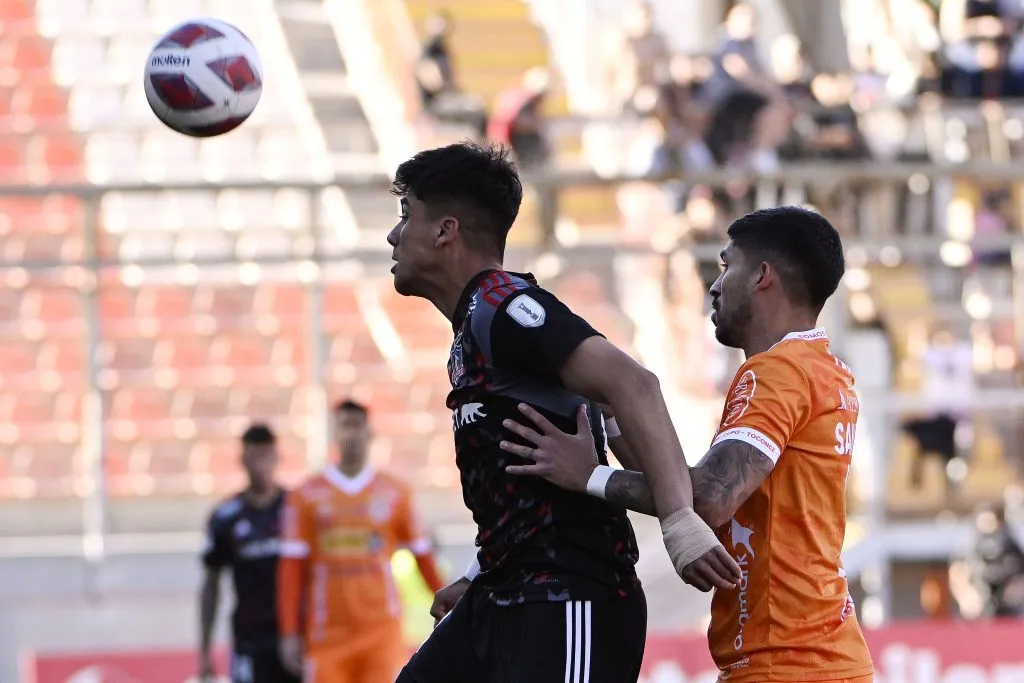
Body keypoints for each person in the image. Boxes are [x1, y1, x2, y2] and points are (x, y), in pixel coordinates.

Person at [385, 142, 739, 683]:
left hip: (569, 596)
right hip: (506, 592)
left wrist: (679, 523)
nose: (393, 234)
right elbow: (567, 428)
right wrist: (483, 569)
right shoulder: (474, 327)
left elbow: (633, 385)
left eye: (406, 214)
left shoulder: (503, 306)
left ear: (445, 231)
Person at [500, 207, 876, 682]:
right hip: (809, 657)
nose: (715, 286)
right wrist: (615, 415)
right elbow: (687, 491)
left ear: (762, 276)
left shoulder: (779, 373)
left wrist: (589, 476)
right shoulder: (821, 370)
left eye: (726, 265)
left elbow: (705, 499)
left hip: (791, 661)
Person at [276, 399, 445, 683]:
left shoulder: (395, 493)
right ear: (334, 434)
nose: (351, 434)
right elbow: (291, 568)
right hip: (327, 634)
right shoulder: (305, 495)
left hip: (380, 633)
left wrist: (452, 612)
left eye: (357, 426)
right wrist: (289, 632)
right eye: (344, 426)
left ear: (370, 433)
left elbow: (423, 557)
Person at [199, 424, 298, 683]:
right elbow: (211, 584)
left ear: (277, 457)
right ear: (242, 459)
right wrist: (205, 650)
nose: (260, 465)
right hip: (250, 640)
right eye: (254, 457)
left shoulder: (297, 510)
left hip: (296, 637)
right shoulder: (226, 517)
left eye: (266, 455)